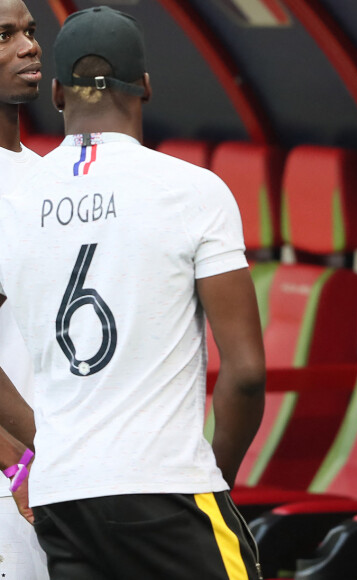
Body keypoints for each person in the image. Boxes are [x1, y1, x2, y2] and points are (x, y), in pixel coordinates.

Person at [0, 5, 266, 579]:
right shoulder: (193, 190)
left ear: (56, 94)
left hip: (62, 495)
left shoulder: (17, 203)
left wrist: (39, 446)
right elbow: (245, 374)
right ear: (144, 86)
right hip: (168, 486)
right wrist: (214, 474)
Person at [0, 0, 49, 577]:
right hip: (17, 477)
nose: (30, 46)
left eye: (31, 33)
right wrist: (21, 460)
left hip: (50, 475)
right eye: (4, 35)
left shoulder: (48, 179)